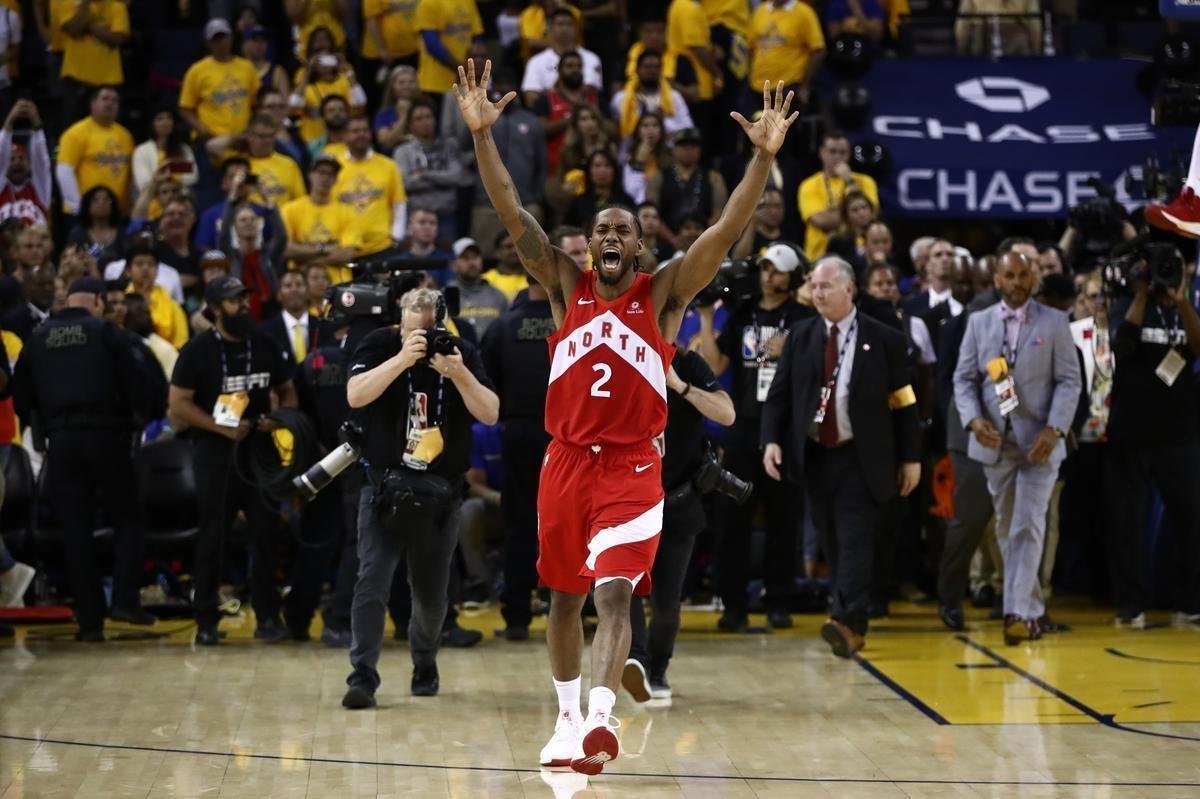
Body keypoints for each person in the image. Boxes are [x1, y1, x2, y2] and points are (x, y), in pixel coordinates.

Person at [463, 58, 797, 774]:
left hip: (633, 466)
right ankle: (564, 718)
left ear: (639, 246)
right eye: (599, 230)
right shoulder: (561, 282)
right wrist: (484, 139)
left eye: (622, 229)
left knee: (614, 593)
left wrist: (762, 159)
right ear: (588, 243)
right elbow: (511, 210)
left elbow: (727, 225)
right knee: (563, 595)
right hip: (564, 460)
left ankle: (601, 719)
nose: (609, 237)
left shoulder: (665, 293)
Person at [340, 287, 499, 708]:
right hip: (384, 488)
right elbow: (356, 395)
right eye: (416, 317)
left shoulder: (460, 349)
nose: (425, 327)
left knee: (430, 597)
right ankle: (363, 675)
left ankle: (424, 662)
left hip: (441, 495)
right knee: (371, 580)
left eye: (433, 320)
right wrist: (401, 360)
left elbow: (490, 412)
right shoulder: (379, 343)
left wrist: (459, 373)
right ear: (400, 317)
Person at [762, 257, 921, 657]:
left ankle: (844, 619)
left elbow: (905, 403)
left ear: (849, 289)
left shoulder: (883, 338)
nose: (817, 293)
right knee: (830, 538)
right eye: (814, 287)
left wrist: (911, 457)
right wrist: (772, 441)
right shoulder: (800, 335)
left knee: (854, 538)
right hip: (816, 453)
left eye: (825, 286)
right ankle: (852, 623)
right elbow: (779, 394)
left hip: (861, 455)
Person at [12, 277, 163, 640]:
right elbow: (142, 386)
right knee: (128, 517)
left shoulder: (39, 337)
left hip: (60, 442)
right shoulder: (108, 334)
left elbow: (20, 396)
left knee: (75, 530)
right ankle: (126, 601)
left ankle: (90, 623)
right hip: (107, 437)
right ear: (96, 300)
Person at [953, 251, 1080, 645]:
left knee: (1029, 523)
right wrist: (974, 421)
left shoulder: (1057, 323)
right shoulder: (978, 323)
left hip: (1040, 444)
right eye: (1010, 275)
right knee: (1008, 527)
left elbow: (1069, 381)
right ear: (996, 279)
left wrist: (1055, 429)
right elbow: (963, 379)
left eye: (1024, 275)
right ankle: (1033, 611)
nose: (1017, 282)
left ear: (1035, 277)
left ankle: (1016, 614)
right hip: (995, 441)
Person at [167, 276, 298, 646]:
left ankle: (269, 617)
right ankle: (206, 618)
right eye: (233, 300)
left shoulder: (265, 343)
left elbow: (287, 391)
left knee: (266, 535)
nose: (243, 305)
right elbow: (178, 405)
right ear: (213, 308)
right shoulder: (197, 350)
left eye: (244, 298)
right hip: (215, 453)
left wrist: (281, 419)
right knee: (213, 536)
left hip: (259, 449)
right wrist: (219, 428)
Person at [696, 244, 812, 631]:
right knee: (732, 520)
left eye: (778, 270)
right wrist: (708, 321)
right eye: (764, 268)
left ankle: (779, 601)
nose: (769, 276)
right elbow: (715, 364)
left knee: (784, 520)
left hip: (785, 429)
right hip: (745, 429)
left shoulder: (803, 318)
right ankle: (733, 605)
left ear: (794, 275)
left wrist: (790, 348)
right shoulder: (742, 313)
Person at [624, 347, 734, 702]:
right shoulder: (616, 355)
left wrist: (679, 385)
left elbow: (727, 414)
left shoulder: (687, 363)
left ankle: (657, 666)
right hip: (625, 498)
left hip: (677, 499)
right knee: (622, 590)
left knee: (667, 602)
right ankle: (635, 662)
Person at [1104, 252, 1200, 629]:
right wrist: (1142, 295)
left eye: (1175, 267)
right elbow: (1122, 347)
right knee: (1127, 521)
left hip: (1181, 432)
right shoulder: (1126, 304)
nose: (1168, 274)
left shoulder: (1186, 307)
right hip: (1130, 432)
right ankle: (1130, 605)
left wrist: (1181, 301)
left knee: (1192, 520)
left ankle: (1191, 603)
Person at [333, 115, 408, 256]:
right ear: (344, 136)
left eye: (364, 130)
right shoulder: (334, 167)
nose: (361, 134)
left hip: (382, 246)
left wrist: (396, 237)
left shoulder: (388, 165)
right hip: (345, 247)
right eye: (355, 131)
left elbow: (399, 203)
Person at [798, 131, 878, 263]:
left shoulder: (866, 182)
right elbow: (820, 221)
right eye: (832, 152)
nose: (838, 157)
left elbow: (867, 218)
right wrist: (850, 215)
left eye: (842, 152)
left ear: (849, 154)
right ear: (822, 153)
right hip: (818, 257)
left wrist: (849, 182)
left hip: (859, 255)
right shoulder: (809, 185)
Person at [392, 98, 465, 237]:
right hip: (416, 215)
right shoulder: (402, 151)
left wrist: (424, 174)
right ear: (410, 125)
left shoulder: (450, 145)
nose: (425, 122)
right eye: (419, 119)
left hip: (446, 213)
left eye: (428, 117)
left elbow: (456, 177)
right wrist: (442, 179)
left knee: (447, 257)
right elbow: (405, 183)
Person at [56, 85, 133, 216]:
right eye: (105, 99)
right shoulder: (76, 133)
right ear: (93, 103)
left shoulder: (126, 136)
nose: (110, 103)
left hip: (117, 212)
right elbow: (64, 171)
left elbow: (130, 175)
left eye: (115, 100)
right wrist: (78, 207)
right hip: (84, 212)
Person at [178, 19, 261, 140]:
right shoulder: (197, 70)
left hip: (242, 137)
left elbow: (258, 102)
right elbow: (185, 108)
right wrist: (202, 129)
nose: (221, 42)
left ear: (231, 38)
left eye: (224, 37)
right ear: (208, 43)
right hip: (211, 139)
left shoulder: (247, 67)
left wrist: (253, 127)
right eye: (215, 39)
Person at [645, 127, 727, 249]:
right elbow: (652, 212)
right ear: (673, 148)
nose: (688, 149)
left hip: (704, 241)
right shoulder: (659, 177)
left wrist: (702, 238)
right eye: (683, 145)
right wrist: (673, 239)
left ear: (700, 149)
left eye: (693, 145)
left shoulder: (714, 177)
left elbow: (720, 212)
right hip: (666, 242)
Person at [280, 152, 359, 275]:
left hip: (337, 281)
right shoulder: (290, 209)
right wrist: (326, 249)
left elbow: (347, 254)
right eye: (321, 172)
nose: (325, 178)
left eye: (331, 174)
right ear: (310, 174)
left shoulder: (348, 211)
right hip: (302, 285)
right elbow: (286, 249)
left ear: (336, 179)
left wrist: (308, 263)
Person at [58, 0, 128, 124]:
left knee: (109, 129)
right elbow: (75, 29)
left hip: (108, 80)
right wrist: (86, 4)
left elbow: (117, 39)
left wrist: (89, 26)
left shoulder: (116, 6)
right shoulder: (68, 3)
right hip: (76, 80)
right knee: (73, 128)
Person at [747, 0, 825, 108]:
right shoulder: (760, 11)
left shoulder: (804, 12)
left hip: (788, 85)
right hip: (757, 86)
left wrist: (805, 85)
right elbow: (751, 48)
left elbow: (818, 50)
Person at [521, 11, 603, 105]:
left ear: (577, 29)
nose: (565, 29)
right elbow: (530, 98)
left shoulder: (591, 58)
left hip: (583, 113)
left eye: (569, 24)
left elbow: (591, 90)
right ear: (550, 28)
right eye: (560, 24)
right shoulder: (536, 61)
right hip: (549, 114)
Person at [611, 50, 694, 141]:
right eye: (647, 67)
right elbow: (615, 131)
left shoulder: (674, 97)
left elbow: (687, 129)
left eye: (656, 67)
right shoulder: (621, 98)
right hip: (630, 151)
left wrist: (663, 122)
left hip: (666, 150)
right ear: (637, 70)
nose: (652, 71)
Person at [123, 236, 188, 349]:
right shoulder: (121, 302)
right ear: (128, 271)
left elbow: (181, 344)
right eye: (139, 264)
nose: (145, 268)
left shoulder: (172, 306)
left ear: (157, 271)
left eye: (151, 264)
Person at [416, 0, 484, 98]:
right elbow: (432, 45)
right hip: (436, 83)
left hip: (465, 81)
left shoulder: (468, 1)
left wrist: (476, 63)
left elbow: (477, 37)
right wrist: (460, 67)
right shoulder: (428, 3)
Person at [0, 100, 52, 228]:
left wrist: (36, 123)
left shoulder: (40, 190)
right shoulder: (1, 189)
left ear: (29, 165)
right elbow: (1, 154)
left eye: (21, 158)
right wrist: (9, 122)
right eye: (12, 159)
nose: (17, 162)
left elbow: (41, 161)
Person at [446, 237, 509, 334]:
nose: (472, 262)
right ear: (453, 265)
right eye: (465, 258)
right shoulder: (445, 296)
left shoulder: (498, 296)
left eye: (475, 257)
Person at [133, 108, 198, 195]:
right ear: (152, 124)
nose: (165, 122)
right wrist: (176, 170)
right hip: (153, 201)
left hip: (181, 199)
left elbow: (193, 176)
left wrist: (165, 172)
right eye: (160, 119)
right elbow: (144, 183)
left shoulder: (183, 148)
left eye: (169, 118)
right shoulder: (142, 151)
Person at [564, 149, 635, 229]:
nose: (602, 170)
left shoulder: (626, 201)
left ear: (614, 170)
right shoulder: (579, 202)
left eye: (607, 165)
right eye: (597, 166)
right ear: (589, 170)